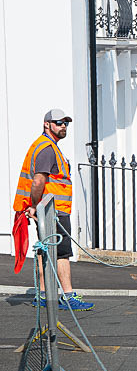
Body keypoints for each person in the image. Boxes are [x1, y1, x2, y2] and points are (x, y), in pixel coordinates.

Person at [14, 109, 94, 310]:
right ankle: (68, 296)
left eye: (66, 123)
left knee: (45, 251)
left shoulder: (46, 146)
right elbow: (38, 181)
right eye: (59, 122)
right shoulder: (47, 149)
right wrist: (34, 206)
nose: (63, 126)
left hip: (48, 211)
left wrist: (35, 208)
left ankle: (42, 295)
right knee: (61, 254)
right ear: (47, 124)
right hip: (53, 212)